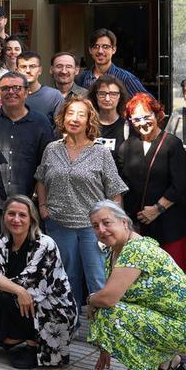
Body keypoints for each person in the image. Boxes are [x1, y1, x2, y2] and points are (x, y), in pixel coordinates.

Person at [87, 201, 186, 370]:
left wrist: (91, 300)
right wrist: (104, 342)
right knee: (110, 311)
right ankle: (169, 363)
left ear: (124, 222)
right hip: (174, 322)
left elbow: (108, 299)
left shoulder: (136, 250)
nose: (101, 229)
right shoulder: (117, 249)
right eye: (95, 225)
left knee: (109, 313)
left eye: (106, 223)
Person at [34, 94, 128, 311]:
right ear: (63, 118)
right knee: (65, 279)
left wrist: (114, 224)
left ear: (89, 121)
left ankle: (104, 325)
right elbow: (41, 179)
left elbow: (115, 190)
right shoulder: (52, 149)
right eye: (70, 113)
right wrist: (43, 207)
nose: (75, 119)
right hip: (59, 223)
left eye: (81, 115)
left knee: (98, 279)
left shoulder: (100, 151)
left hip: (93, 228)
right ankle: (70, 323)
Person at [0, 71, 55, 295]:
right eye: (5, 88)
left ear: (26, 92)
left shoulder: (40, 123)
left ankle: (21, 304)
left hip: (27, 208)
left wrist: (41, 202)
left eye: (17, 88)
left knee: (25, 261)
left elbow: (45, 166)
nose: (11, 92)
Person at [0, 195, 76, 369]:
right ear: (4, 216)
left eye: (22, 215)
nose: (16, 219)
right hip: (25, 298)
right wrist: (14, 290)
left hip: (53, 308)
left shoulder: (45, 243)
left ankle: (33, 343)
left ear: (32, 219)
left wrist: (0, 286)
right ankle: (18, 336)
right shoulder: (3, 241)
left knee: (7, 294)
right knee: (2, 296)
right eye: (11, 214)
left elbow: (27, 280)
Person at [117, 93, 186, 270]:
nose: (142, 123)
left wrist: (157, 209)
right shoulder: (127, 147)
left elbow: (180, 184)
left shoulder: (172, 144)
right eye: (136, 119)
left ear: (157, 115)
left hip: (170, 225)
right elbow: (120, 184)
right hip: (137, 227)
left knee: (170, 275)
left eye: (146, 116)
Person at [77, 28, 149, 95]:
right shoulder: (81, 79)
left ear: (114, 50)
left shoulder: (126, 78)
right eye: (96, 47)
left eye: (105, 46)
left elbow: (149, 102)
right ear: (90, 50)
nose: (100, 51)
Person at [90, 75, 131, 165]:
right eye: (102, 94)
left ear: (120, 97)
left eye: (113, 94)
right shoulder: (88, 125)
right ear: (95, 96)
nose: (107, 99)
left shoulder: (128, 127)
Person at [18, 51, 64, 123]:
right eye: (23, 67)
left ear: (40, 70)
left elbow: (61, 126)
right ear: (17, 71)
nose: (28, 70)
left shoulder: (54, 96)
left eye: (32, 66)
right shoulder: (11, 95)